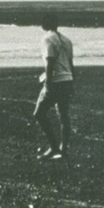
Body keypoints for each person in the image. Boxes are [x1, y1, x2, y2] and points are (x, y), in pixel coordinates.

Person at [33, 13, 75, 159]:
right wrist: (73, 82)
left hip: (56, 80)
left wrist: (47, 84)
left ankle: (54, 148)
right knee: (63, 116)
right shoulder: (67, 40)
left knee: (39, 114)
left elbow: (50, 62)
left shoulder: (47, 39)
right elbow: (70, 64)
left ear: (45, 24)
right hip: (67, 79)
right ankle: (63, 149)